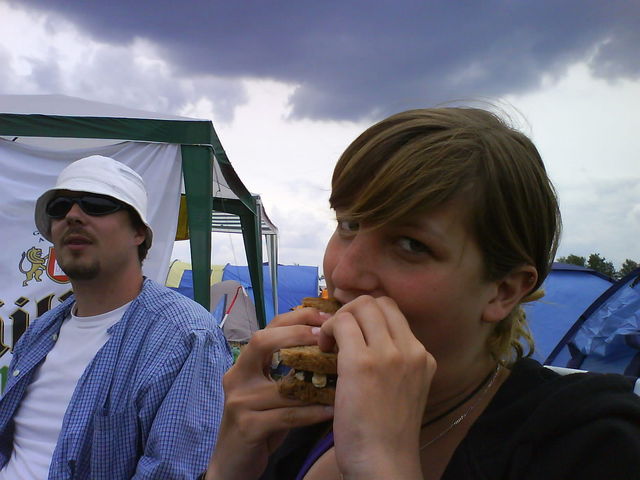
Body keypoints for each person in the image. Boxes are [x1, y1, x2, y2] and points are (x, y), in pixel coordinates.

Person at [203, 107, 640, 480]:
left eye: (411, 244)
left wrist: (382, 463)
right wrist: (229, 466)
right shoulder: (307, 412)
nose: (345, 273)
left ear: (503, 292)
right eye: (349, 224)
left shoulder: (590, 443)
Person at [0, 155, 233, 479]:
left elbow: (172, 472)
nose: (73, 215)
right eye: (60, 207)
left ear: (139, 232)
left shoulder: (186, 337)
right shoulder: (40, 332)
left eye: (96, 203)